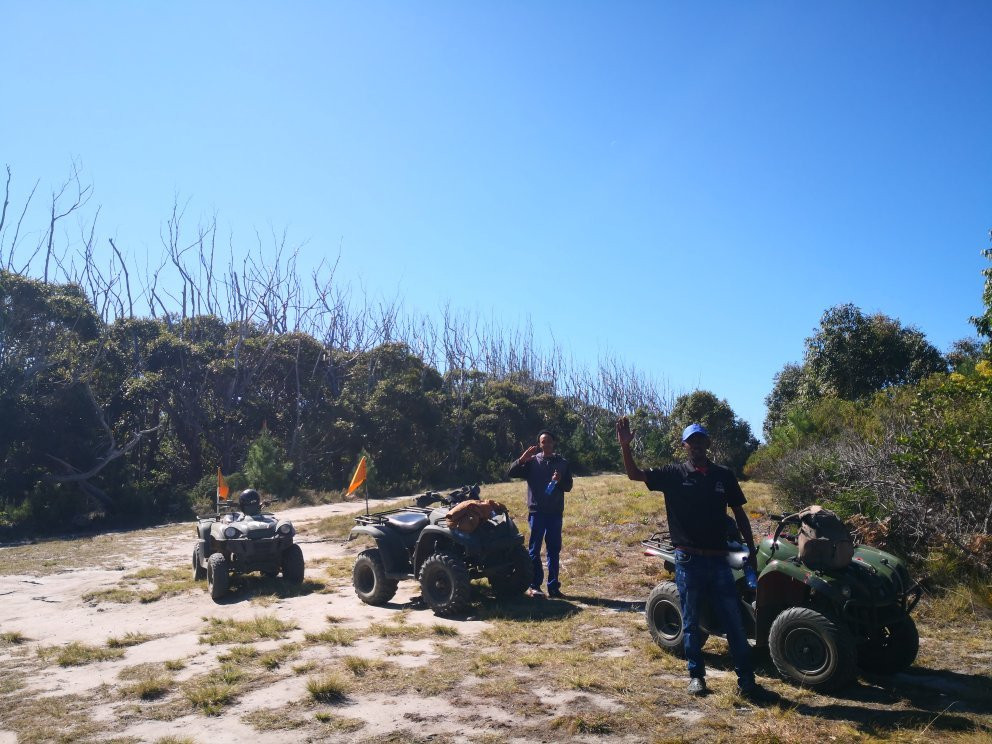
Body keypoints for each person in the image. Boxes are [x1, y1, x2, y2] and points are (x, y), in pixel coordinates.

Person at [616, 417, 775, 703]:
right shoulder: (673, 474)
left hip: (720, 561)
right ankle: (696, 677)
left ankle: (747, 681)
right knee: (690, 621)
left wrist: (749, 552)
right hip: (688, 561)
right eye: (692, 441)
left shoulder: (723, 475)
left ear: (707, 444)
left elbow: (740, 514)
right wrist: (625, 447)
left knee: (734, 622)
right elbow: (634, 474)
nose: (697, 445)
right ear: (685, 445)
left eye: (702, 440)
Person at [507, 429, 573, 598]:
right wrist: (522, 459)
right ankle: (534, 586)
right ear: (539, 444)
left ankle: (553, 588)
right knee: (534, 550)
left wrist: (559, 481)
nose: (547, 444)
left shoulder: (562, 463)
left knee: (553, 550)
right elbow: (511, 472)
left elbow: (568, 486)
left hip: (554, 513)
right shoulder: (531, 462)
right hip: (537, 513)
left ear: (554, 443)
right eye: (543, 442)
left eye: (549, 441)